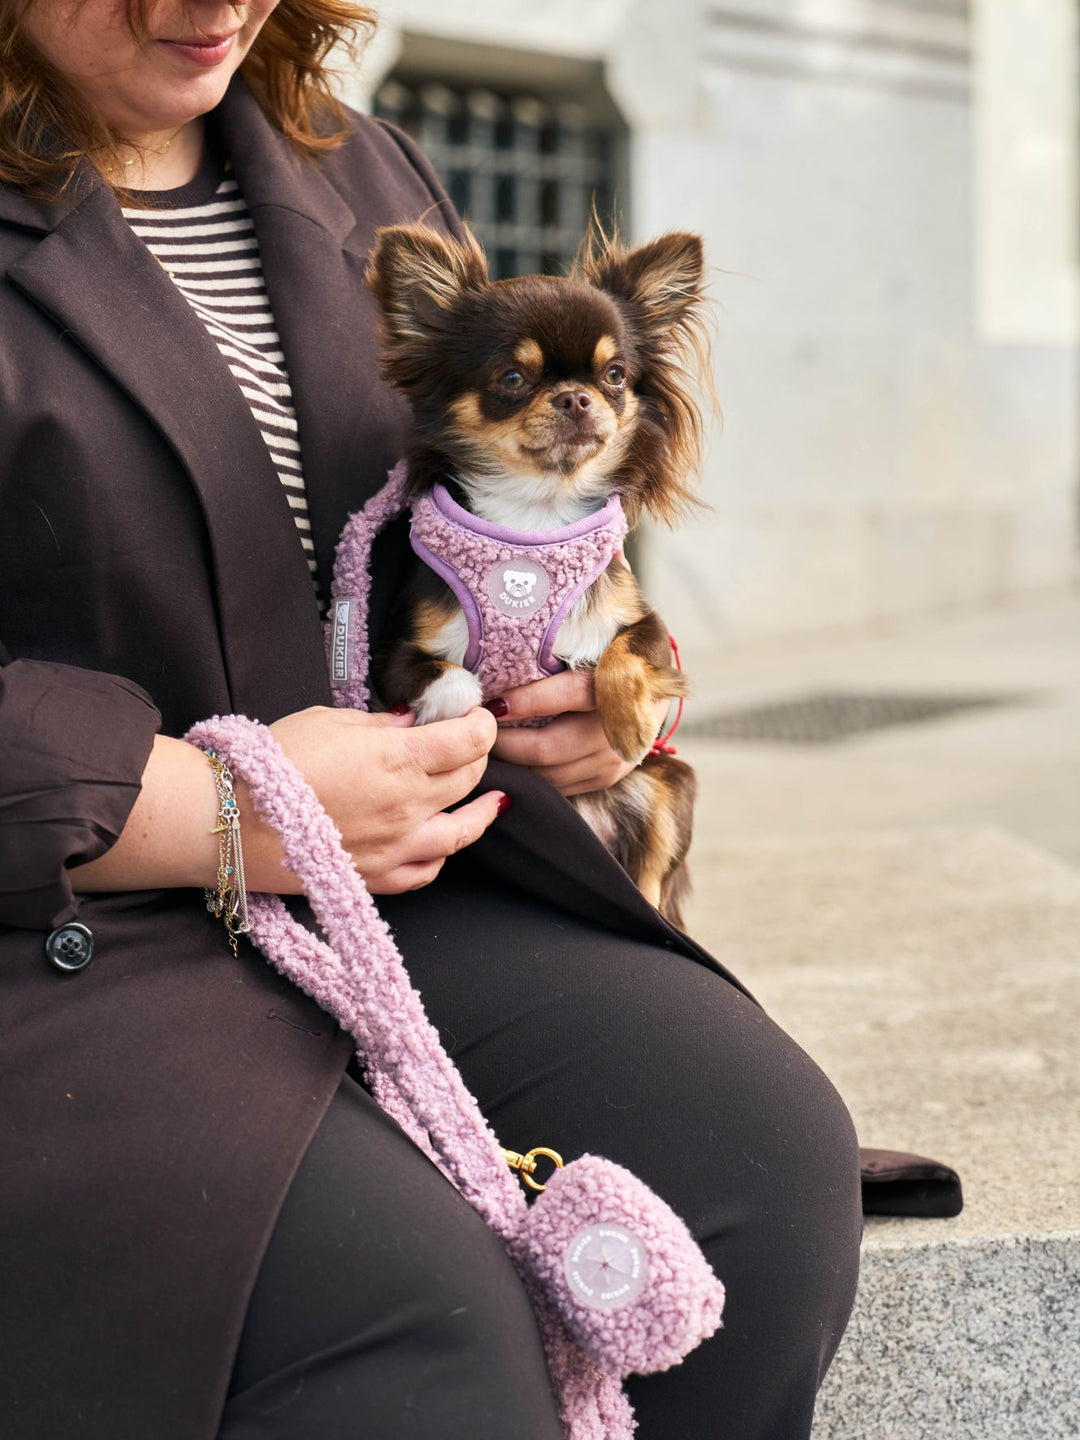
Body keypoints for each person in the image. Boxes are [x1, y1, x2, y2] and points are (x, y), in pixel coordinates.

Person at [0, 1, 863, 1436]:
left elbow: (494, 527)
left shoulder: (357, 170)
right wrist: (218, 812)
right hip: (72, 937)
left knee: (754, 1178)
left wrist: (606, 694)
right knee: (426, 1342)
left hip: (405, 888)